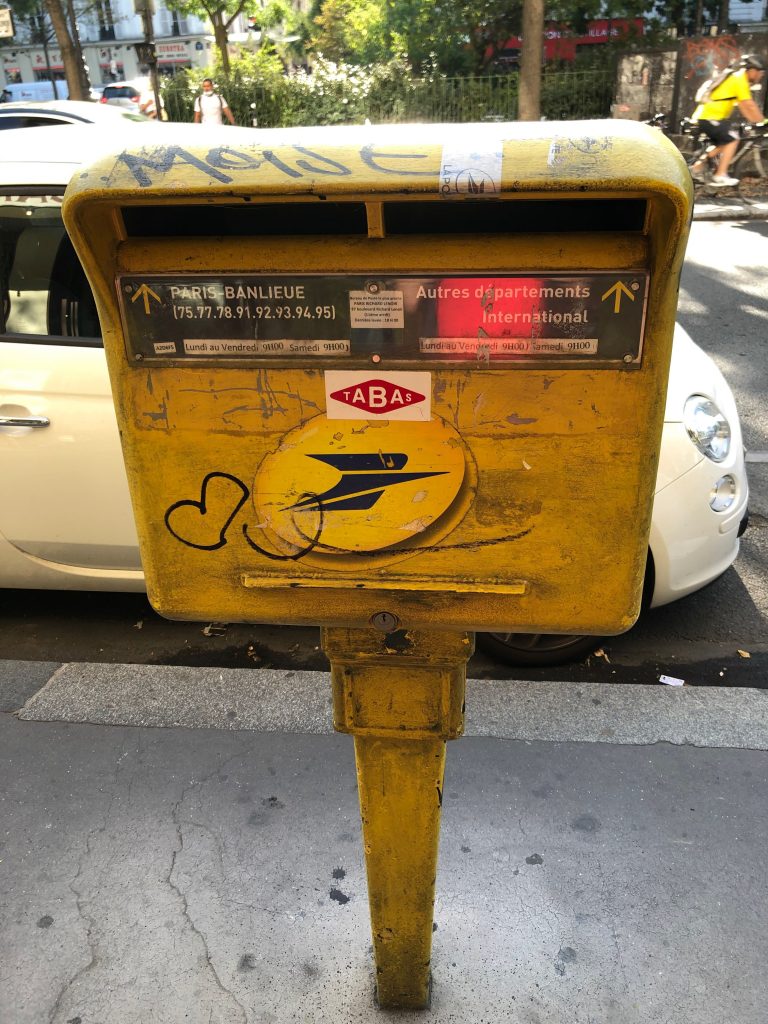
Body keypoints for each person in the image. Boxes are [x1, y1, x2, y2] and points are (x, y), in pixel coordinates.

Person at [689, 53, 766, 186]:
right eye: (760, 73)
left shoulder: (738, 79)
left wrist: (755, 121)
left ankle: (696, 167)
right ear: (752, 70)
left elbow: (744, 107)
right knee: (733, 139)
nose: (761, 76)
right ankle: (720, 175)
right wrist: (763, 121)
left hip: (711, 117)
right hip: (709, 117)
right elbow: (749, 104)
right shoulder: (739, 79)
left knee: (724, 142)